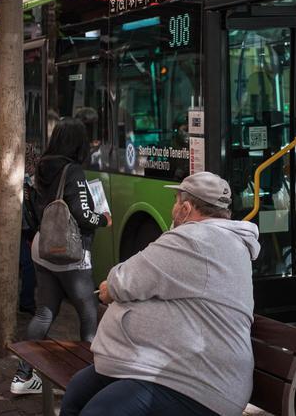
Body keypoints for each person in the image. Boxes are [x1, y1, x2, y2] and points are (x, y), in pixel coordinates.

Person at [60, 172, 260, 416]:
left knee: (98, 411)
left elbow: (123, 280)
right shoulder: (219, 240)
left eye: (175, 201)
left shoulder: (195, 240)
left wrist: (109, 289)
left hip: (198, 383)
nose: (172, 208)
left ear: (186, 209)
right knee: (77, 392)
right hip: (168, 365)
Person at [10, 117, 112, 395]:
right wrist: (102, 219)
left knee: (44, 312)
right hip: (71, 253)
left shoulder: (42, 165)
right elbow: (82, 214)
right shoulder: (73, 171)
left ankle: (22, 377)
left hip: (43, 248)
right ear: (78, 143)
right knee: (89, 316)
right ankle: (91, 383)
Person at [0, 138, 40, 314]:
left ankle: (27, 301)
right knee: (0, 258)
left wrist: (31, 181)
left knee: (29, 261)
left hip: (24, 215)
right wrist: (9, 184)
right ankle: (2, 304)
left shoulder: (29, 151)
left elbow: (39, 175)